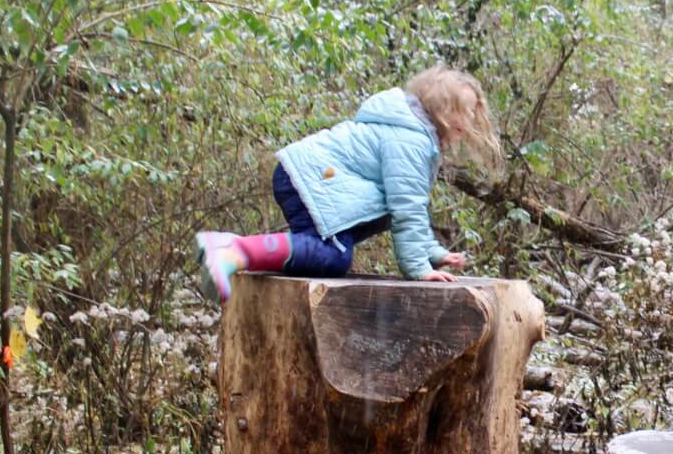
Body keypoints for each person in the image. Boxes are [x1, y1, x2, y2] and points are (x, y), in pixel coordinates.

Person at [194, 65, 501, 302]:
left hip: (305, 175)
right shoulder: (411, 139)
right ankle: (234, 249)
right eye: (467, 111)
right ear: (445, 112)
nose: (473, 119)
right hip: (312, 177)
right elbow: (406, 207)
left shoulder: (410, 133)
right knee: (331, 256)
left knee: (325, 254)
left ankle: (237, 252)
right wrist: (418, 268)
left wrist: (432, 253)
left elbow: (406, 208)